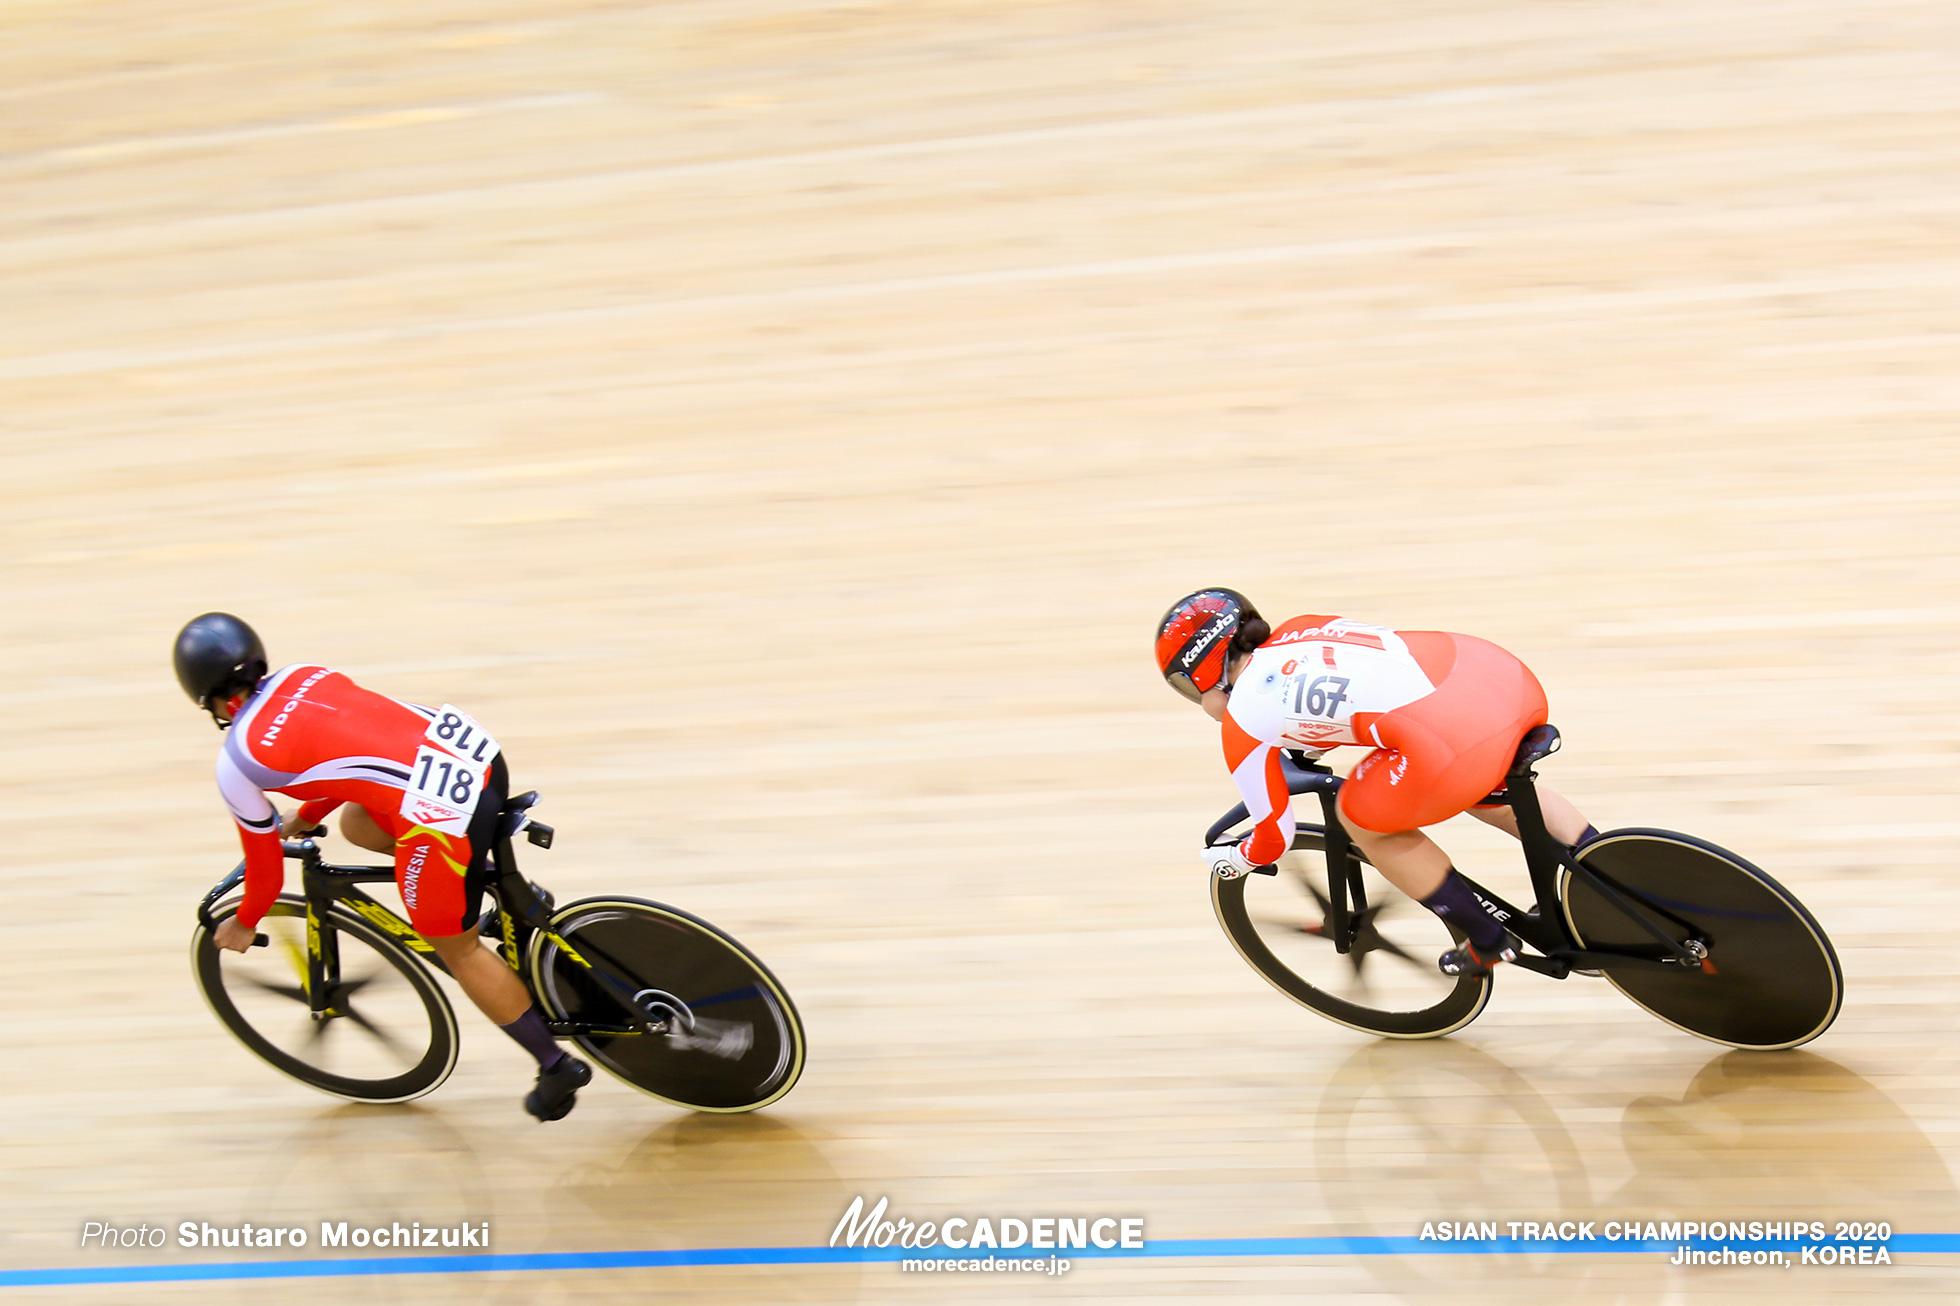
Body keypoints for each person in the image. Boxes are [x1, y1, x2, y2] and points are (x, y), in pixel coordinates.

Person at [173, 612, 592, 1120]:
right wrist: (306, 814)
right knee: (359, 823)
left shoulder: (236, 763)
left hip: (443, 816)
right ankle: (494, 894)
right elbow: (353, 750)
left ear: (204, 698)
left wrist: (245, 920)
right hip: (477, 757)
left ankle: (554, 1066)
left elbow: (267, 875)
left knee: (455, 948)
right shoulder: (307, 674)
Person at [1155, 589, 1598, 975]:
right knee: (1480, 783)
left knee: (1359, 816)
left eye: (1187, 688)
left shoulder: (1241, 723)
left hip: (1449, 736)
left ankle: (1488, 941)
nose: (1198, 703)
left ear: (1205, 669)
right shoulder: (1303, 626)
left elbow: (1274, 836)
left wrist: (1238, 858)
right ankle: (1611, 874)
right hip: (1497, 676)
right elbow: (1361, 686)